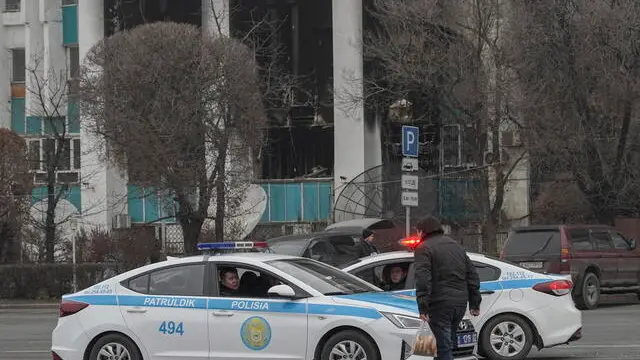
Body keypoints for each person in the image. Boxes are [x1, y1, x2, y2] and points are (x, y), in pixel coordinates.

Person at [413, 216, 481, 360]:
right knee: (444, 343)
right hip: (460, 304)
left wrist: (423, 306)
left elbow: (423, 279)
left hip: (440, 304)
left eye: (418, 231)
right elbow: (472, 275)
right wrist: (474, 302)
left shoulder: (423, 248)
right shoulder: (456, 246)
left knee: (444, 347)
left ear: (423, 231)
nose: (417, 235)